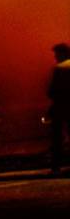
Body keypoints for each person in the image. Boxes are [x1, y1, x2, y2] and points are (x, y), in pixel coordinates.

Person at [49, 43, 70, 176]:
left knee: (57, 137)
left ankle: (56, 166)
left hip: (61, 106)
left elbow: (52, 91)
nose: (55, 57)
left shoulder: (59, 68)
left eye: (56, 54)